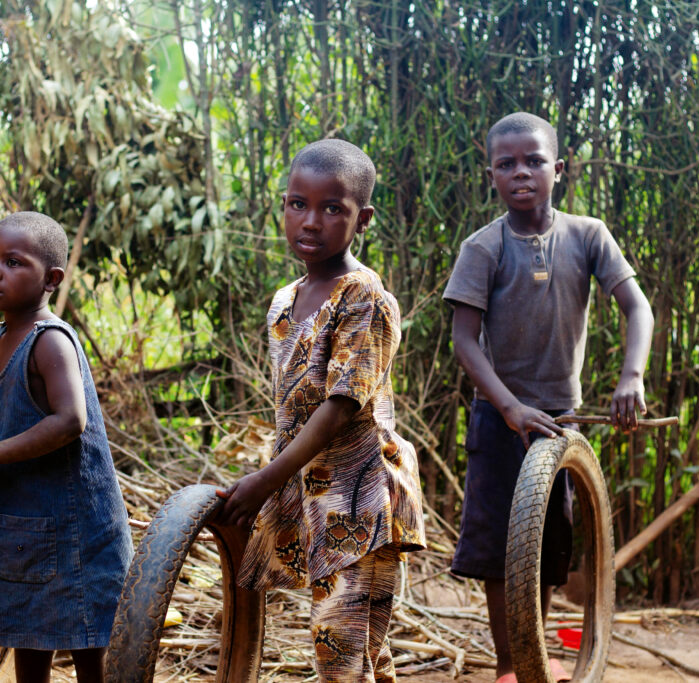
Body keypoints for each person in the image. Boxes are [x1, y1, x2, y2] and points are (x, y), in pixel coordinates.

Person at [443, 113, 653, 683]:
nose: (521, 173)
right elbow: (464, 340)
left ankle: (536, 656)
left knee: (545, 544)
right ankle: (512, 667)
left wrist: (631, 376)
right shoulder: (482, 248)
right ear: (492, 175)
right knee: (497, 551)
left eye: (534, 161)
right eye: (507, 164)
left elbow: (638, 307)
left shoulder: (587, 235)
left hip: (561, 423)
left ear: (558, 169)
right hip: (498, 416)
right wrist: (509, 407)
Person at [215, 139, 426, 682]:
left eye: (333, 209)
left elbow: (338, 408)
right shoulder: (285, 301)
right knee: (359, 658)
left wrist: (265, 479)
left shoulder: (364, 297)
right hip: (312, 498)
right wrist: (274, 486)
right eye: (297, 204)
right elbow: (290, 409)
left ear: (363, 220)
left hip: (361, 501)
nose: (310, 221)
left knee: (341, 652)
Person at [0, 212, 133, 683]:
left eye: (12, 262)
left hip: (73, 523)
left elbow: (69, 421)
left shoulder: (50, 342)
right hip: (24, 522)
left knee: (88, 636)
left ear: (51, 279)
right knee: (28, 628)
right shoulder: (2, 337)